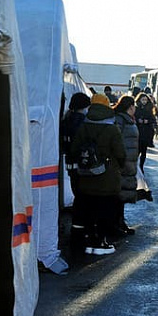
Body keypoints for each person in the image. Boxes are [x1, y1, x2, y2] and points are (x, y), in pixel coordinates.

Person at [71, 93, 126, 255]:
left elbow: (74, 149)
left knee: (88, 210)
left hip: (85, 176)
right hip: (107, 178)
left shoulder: (83, 125)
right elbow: (121, 153)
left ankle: (87, 242)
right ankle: (100, 243)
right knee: (105, 211)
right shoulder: (112, 127)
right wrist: (118, 167)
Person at [61, 92, 91, 259]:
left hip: (71, 165)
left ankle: (77, 230)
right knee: (82, 198)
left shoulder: (67, 119)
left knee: (78, 194)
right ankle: (79, 232)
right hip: (80, 166)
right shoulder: (80, 122)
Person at [112, 95, 139, 236]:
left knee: (121, 195)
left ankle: (120, 222)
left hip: (129, 161)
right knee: (118, 195)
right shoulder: (120, 120)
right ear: (130, 107)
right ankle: (116, 224)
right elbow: (117, 140)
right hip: (123, 162)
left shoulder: (127, 120)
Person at [134, 92, 156, 171]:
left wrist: (148, 121)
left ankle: (141, 166)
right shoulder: (136, 109)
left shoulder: (149, 109)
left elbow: (153, 120)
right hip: (138, 131)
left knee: (144, 151)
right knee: (137, 150)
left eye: (145, 100)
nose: (144, 101)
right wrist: (137, 120)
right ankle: (135, 165)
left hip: (146, 132)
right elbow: (133, 117)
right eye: (142, 100)